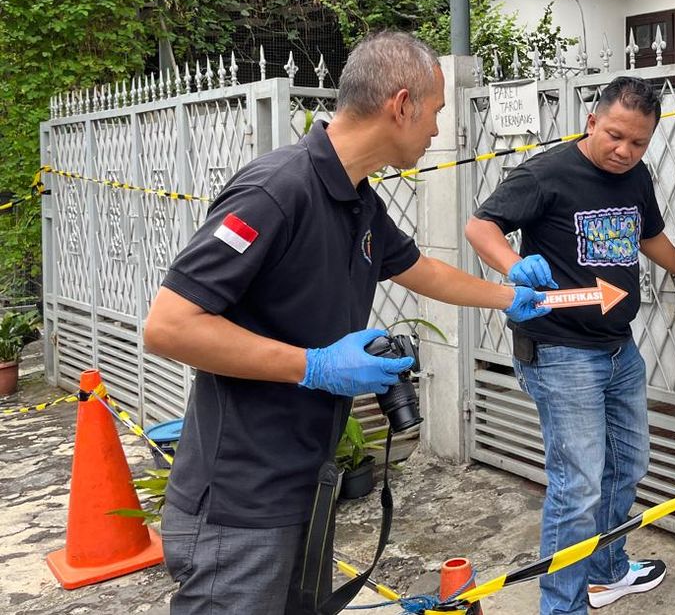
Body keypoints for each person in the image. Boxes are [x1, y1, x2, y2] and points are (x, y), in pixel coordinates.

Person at [142, 30, 549, 615]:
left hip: (308, 484)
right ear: (401, 104)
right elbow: (170, 326)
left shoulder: (357, 198)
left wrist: (506, 296)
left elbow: (420, 269)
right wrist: (314, 366)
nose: (436, 129)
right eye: (434, 112)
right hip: (241, 499)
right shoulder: (276, 190)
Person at [464, 76, 675, 615]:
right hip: (561, 352)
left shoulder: (636, 177)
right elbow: (480, 227)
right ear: (592, 121)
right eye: (614, 136)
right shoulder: (546, 172)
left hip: (618, 349)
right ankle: (562, 607)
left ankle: (607, 572)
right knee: (578, 486)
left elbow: (647, 233)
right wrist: (515, 267)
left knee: (627, 467)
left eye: (638, 143)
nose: (623, 151)